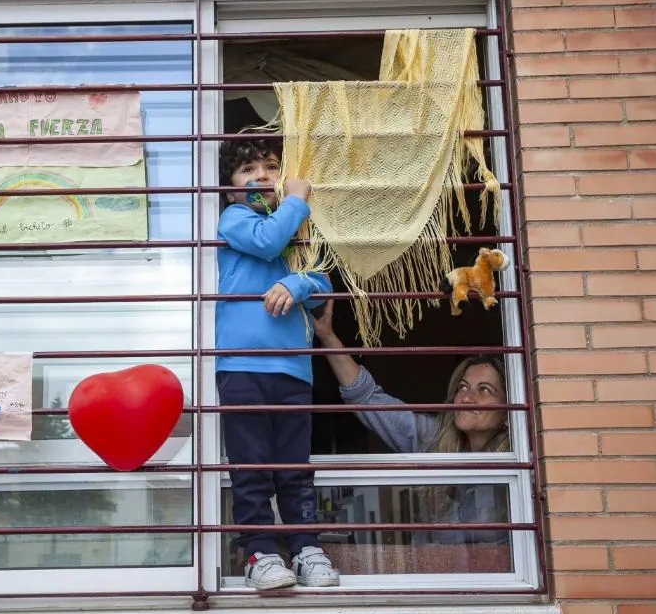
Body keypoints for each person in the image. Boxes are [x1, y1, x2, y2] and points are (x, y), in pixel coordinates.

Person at [215, 135, 341, 590]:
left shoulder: (296, 232)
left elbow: (322, 277)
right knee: (251, 467)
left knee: (294, 467)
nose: (262, 177)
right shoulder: (236, 218)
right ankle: (260, 553)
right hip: (243, 366)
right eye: (249, 171)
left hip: (292, 369)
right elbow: (268, 243)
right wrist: (298, 198)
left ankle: (306, 547)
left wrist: (297, 284)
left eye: (270, 168)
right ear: (230, 189)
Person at [311, 300, 511, 547]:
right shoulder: (433, 440)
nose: (467, 397)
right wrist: (327, 336)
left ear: (508, 413)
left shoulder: (518, 462)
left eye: (484, 390)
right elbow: (367, 398)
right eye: (463, 387)